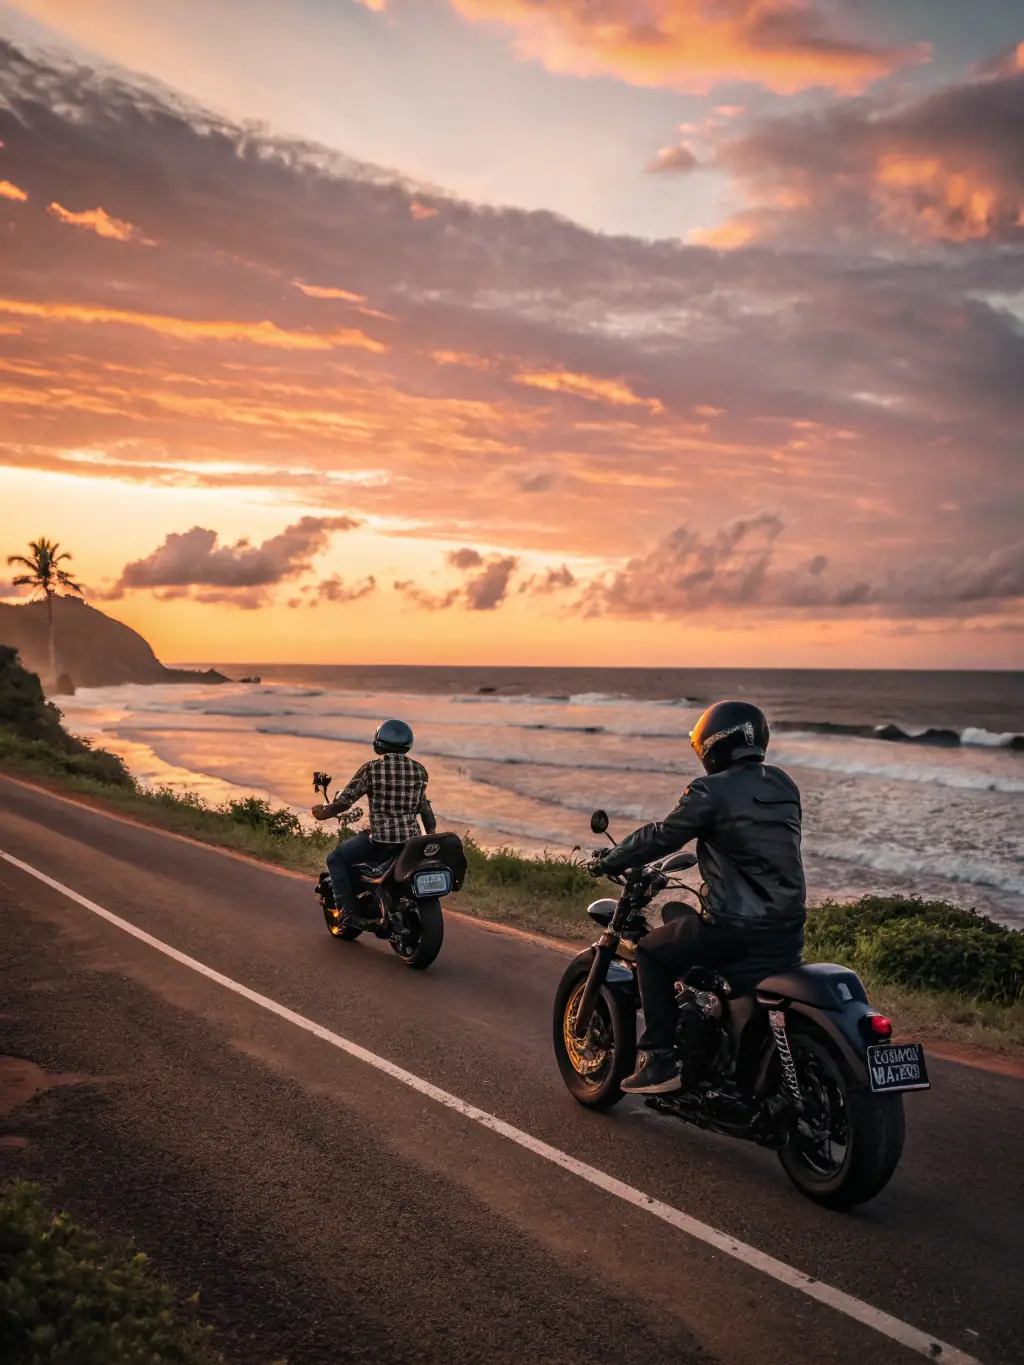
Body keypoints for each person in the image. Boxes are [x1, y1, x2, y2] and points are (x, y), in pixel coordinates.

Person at [592, 700, 806, 1096]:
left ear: (712, 745)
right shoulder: (783, 785)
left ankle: (660, 1059)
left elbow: (662, 835)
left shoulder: (710, 790)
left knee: (653, 952)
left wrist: (612, 859)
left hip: (733, 928)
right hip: (788, 930)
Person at [312, 719, 436, 926]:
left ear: (379, 742)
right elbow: (424, 806)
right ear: (408, 743)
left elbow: (344, 802)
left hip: (380, 840)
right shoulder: (419, 771)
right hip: (410, 842)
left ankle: (347, 911)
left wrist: (322, 813)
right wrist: (430, 832)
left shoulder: (371, 768)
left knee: (336, 859)